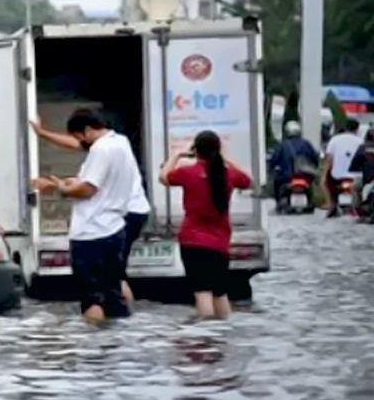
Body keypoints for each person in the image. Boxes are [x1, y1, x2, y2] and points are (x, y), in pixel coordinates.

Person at [31, 110, 138, 322]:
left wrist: (60, 188)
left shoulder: (100, 149)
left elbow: (88, 189)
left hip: (91, 233)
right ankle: (121, 345)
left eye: (79, 137)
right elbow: (93, 181)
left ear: (88, 130)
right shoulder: (121, 142)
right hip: (115, 229)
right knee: (113, 295)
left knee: (92, 298)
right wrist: (60, 183)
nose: (79, 143)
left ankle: (92, 349)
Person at [160, 131, 253, 320]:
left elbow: (163, 177)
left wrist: (176, 156)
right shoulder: (229, 174)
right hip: (219, 243)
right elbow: (248, 180)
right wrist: (227, 157)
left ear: (195, 150)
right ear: (218, 150)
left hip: (192, 242)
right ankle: (222, 335)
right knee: (220, 293)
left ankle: (205, 336)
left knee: (202, 292)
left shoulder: (188, 173)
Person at [268, 120, 320, 208]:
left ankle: (279, 202)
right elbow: (315, 158)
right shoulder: (306, 144)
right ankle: (310, 200)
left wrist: (270, 169)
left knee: (277, 184)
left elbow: (274, 160)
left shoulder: (282, 145)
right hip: (305, 175)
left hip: (286, 177)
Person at [323, 119, 363, 217]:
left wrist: (324, 174)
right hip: (355, 177)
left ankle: (331, 204)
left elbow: (329, 159)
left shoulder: (334, 140)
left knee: (325, 183)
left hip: (337, 176)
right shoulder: (361, 141)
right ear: (357, 129)